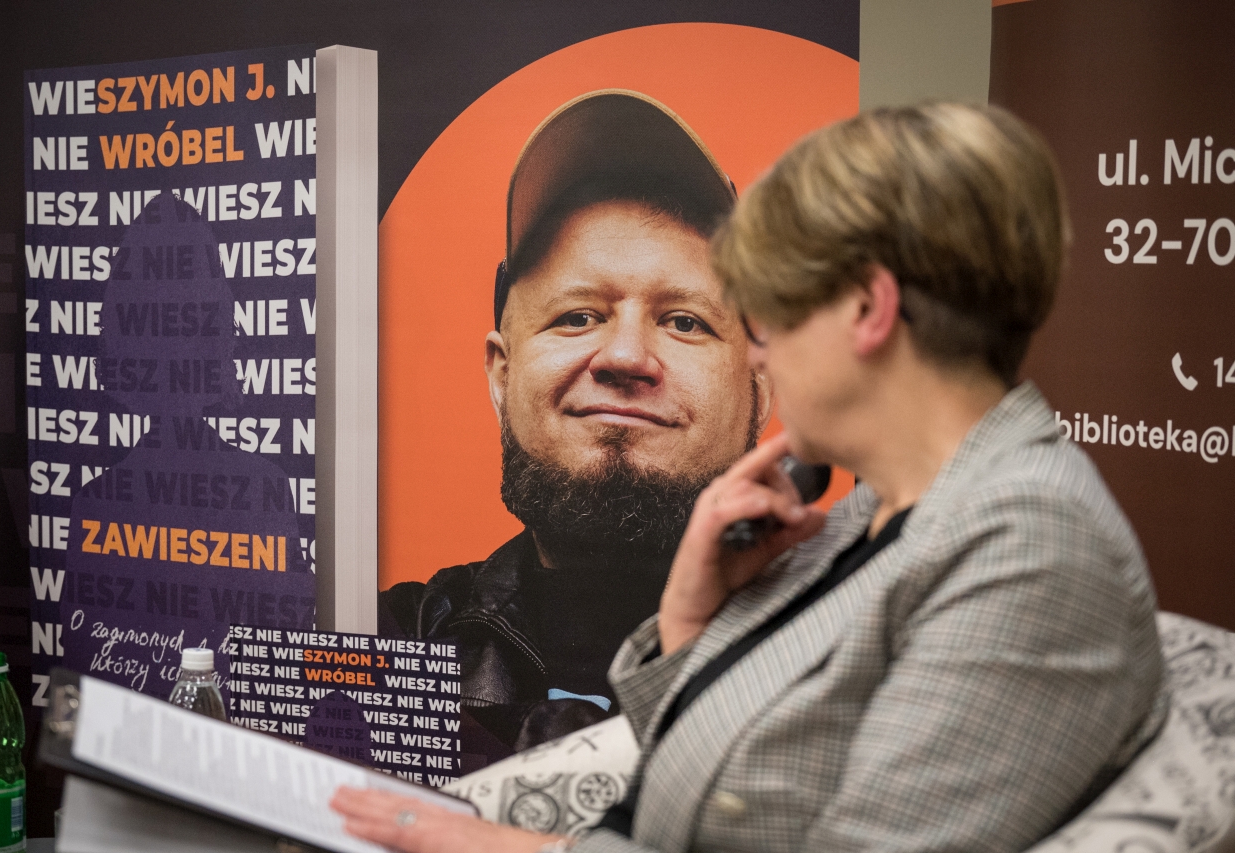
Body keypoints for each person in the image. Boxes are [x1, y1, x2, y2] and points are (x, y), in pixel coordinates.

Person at [337, 102, 1167, 852]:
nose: (759, 351)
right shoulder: (875, 520)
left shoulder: (1029, 546)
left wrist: (501, 848)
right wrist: (688, 631)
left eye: (771, 307)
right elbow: (730, 788)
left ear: (868, 310)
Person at [377, 90, 772, 758]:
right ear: (502, 376)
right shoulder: (386, 645)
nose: (625, 356)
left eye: (684, 321)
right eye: (577, 316)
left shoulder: (850, 667)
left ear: (760, 395)